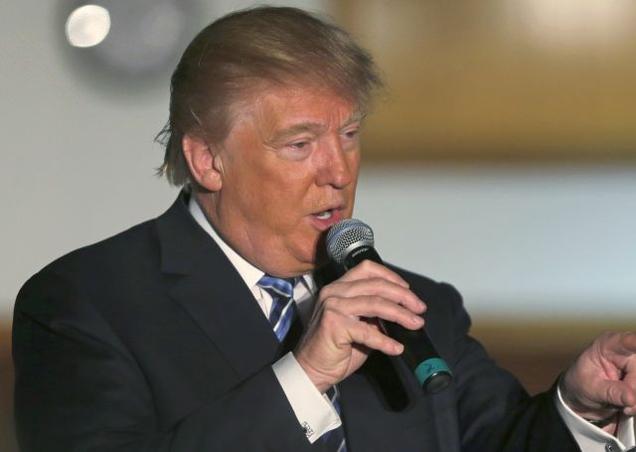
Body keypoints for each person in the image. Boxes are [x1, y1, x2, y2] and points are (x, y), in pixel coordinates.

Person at [13, 6, 636, 452]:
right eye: (300, 144)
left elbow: (503, 442)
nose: (337, 172)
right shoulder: (85, 304)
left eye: (348, 136)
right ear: (207, 159)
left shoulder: (417, 307)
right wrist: (304, 378)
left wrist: (578, 405)